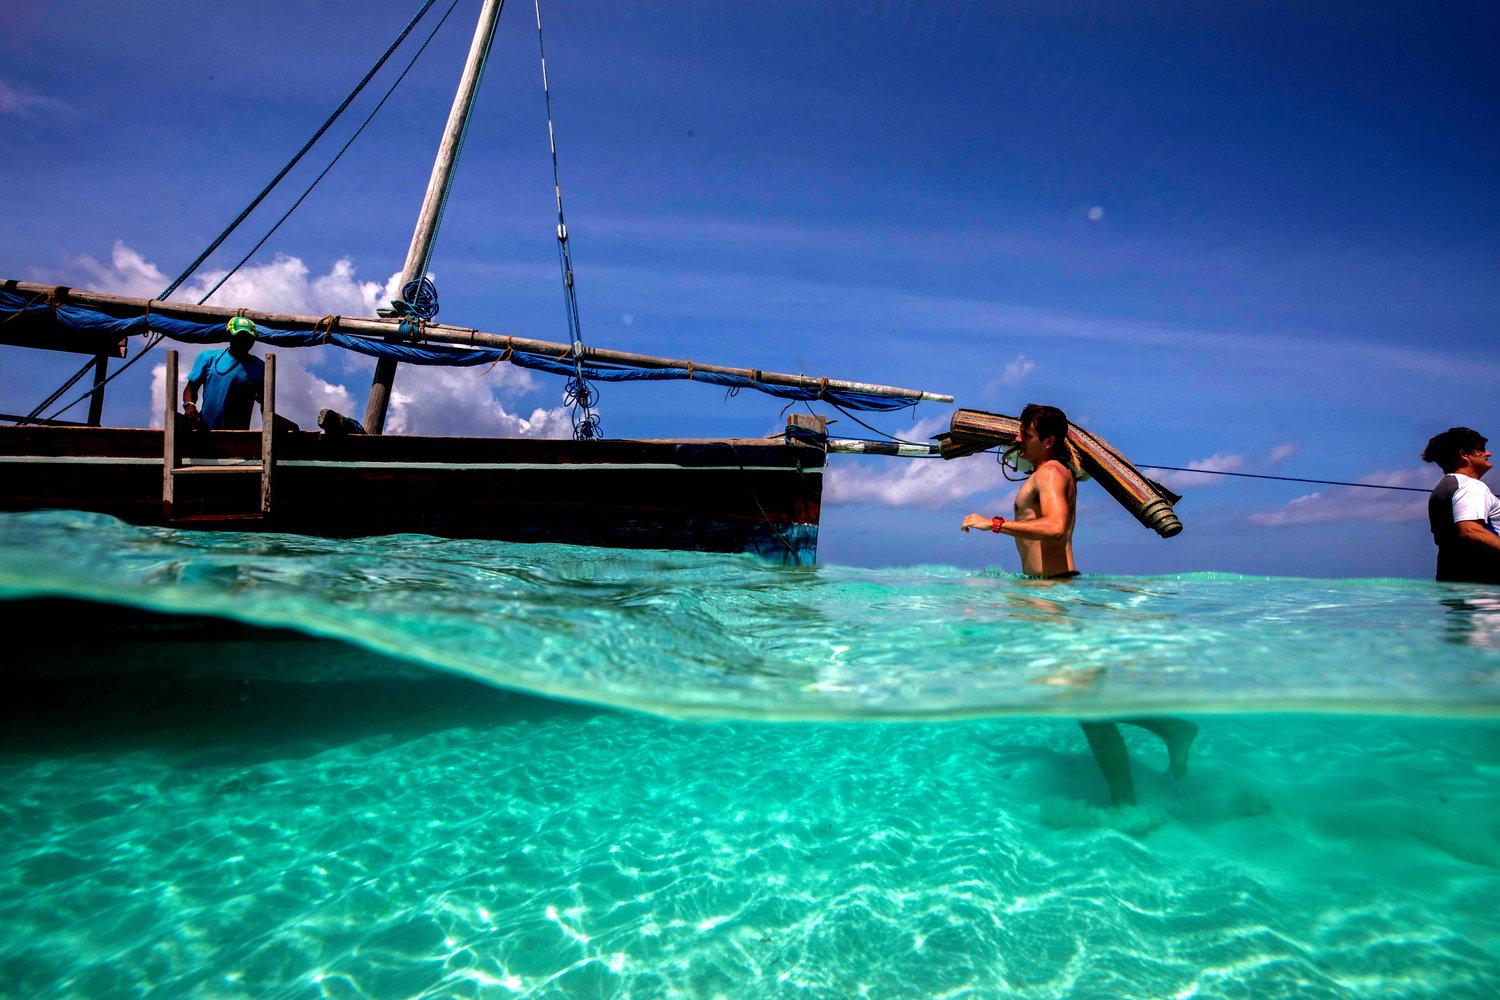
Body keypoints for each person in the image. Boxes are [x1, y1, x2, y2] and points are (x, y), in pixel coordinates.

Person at [961, 403, 1197, 807]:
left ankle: (1127, 803)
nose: (1018, 438)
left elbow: (1054, 528)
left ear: (1047, 441)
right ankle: (1168, 730)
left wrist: (993, 523)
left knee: (1085, 705)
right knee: (1071, 695)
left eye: (1026, 434)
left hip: (1053, 594)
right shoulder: (1051, 472)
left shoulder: (1051, 473)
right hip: (1044, 594)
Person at [1422, 427, 1500, 585]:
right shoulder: (1471, 486)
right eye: (1481, 450)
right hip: (1483, 587)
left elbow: (1440, 539)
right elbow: (1469, 530)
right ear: (1464, 454)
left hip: (1454, 583)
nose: (1488, 453)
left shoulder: (1441, 490)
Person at [183, 317, 265, 430]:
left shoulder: (260, 367)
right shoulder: (208, 357)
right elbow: (191, 387)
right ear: (229, 336)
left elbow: (266, 403)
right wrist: (189, 405)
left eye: (247, 338)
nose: (243, 342)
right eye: (239, 337)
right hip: (205, 430)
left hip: (237, 435)